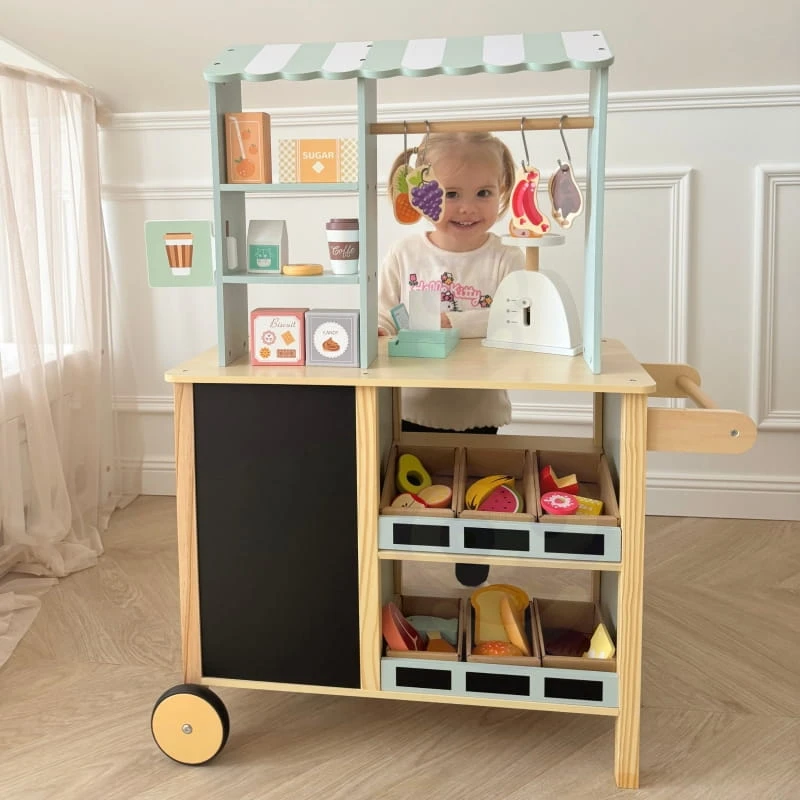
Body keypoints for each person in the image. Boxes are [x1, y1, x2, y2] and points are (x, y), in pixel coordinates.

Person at [378, 131, 524, 586]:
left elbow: (514, 319)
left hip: (479, 407)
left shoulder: (507, 258)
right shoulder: (405, 253)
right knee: (416, 493)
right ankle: (408, 570)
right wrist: (381, 330)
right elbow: (383, 312)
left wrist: (452, 323)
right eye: (450, 194)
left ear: (502, 192)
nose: (467, 208)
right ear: (420, 191)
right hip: (414, 405)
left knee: (475, 496)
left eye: (483, 193)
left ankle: (472, 560)